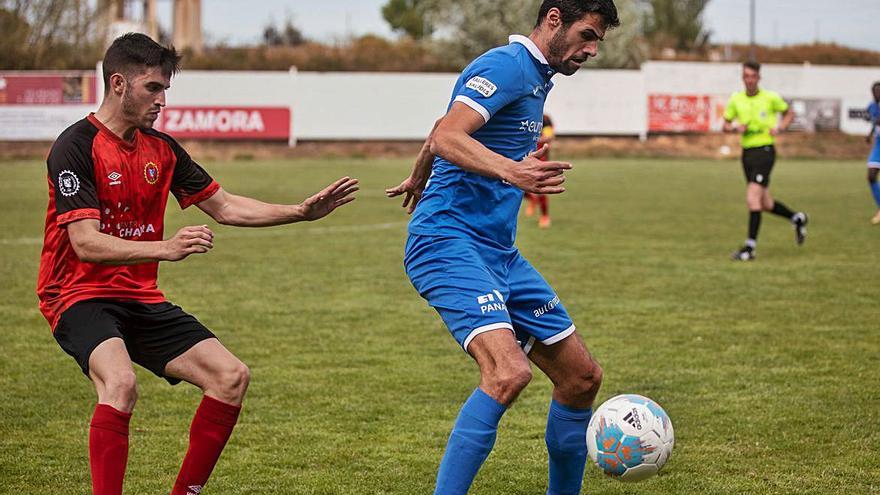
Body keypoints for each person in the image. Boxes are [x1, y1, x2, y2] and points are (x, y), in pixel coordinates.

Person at [36, 33, 358, 495]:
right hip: (77, 293)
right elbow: (85, 243)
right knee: (121, 383)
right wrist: (164, 248)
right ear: (118, 84)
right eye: (153, 88)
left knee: (230, 377)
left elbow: (225, 207)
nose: (162, 100)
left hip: (139, 296)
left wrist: (299, 212)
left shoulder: (162, 149)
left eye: (166, 88)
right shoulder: (75, 146)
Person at [385, 1, 618, 493]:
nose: (592, 50)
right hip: (446, 242)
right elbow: (450, 133)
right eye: (587, 35)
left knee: (581, 378)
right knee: (507, 372)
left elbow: (441, 128)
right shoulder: (507, 66)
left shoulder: (536, 77)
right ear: (554, 19)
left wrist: (420, 170)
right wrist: (513, 170)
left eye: (597, 40)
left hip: (499, 254)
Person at [723, 61, 808, 261]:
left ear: (759, 78)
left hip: (765, 151)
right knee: (765, 203)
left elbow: (789, 113)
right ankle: (797, 218)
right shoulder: (736, 99)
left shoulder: (770, 98)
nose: (750, 80)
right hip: (747, 154)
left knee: (752, 198)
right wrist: (735, 128)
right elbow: (725, 125)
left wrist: (780, 127)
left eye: (753, 76)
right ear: (742, 78)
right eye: (746, 76)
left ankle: (750, 248)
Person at [524, 113, 556, 228]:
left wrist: (535, 139)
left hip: (541, 159)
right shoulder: (524, 114)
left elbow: (549, 137)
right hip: (523, 157)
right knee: (516, 186)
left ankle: (545, 216)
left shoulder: (545, 119)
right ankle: (532, 200)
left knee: (541, 189)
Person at [865, 82, 880, 224]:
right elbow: (873, 120)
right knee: (871, 176)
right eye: (875, 91)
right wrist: (869, 134)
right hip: (879, 145)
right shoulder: (872, 106)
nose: (877, 93)